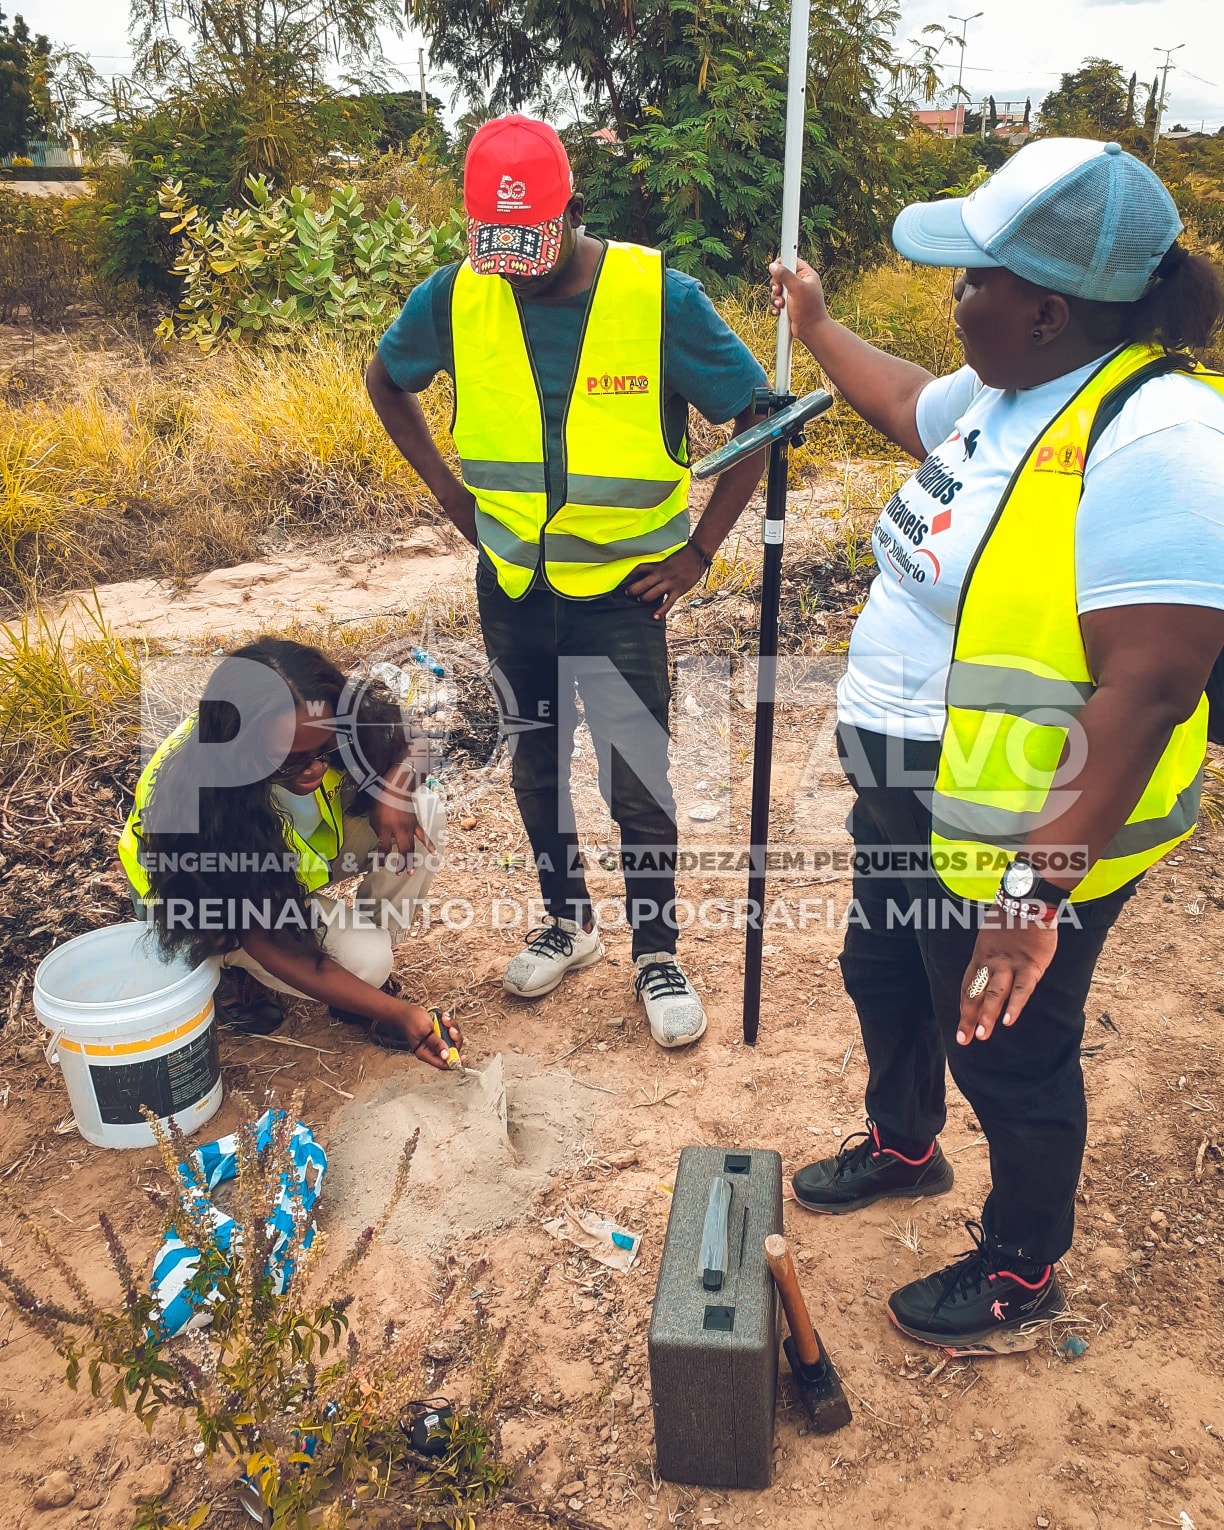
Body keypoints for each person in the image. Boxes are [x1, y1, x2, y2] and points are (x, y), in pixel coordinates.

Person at [770, 138, 1224, 1350]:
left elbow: (1153, 685)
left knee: (1008, 1046)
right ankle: (905, 1144)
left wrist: (1033, 893)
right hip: (909, 782)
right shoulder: (1007, 394)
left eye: (974, 278)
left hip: (1023, 829)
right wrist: (814, 327)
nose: (955, 296)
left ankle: (1024, 1265)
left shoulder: (1159, 436)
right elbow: (902, 399)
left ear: (1048, 308)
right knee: (887, 977)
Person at [367, 114, 769, 1048]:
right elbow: (385, 380)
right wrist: (450, 497)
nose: (513, 265)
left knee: (637, 781)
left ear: (574, 211)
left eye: (530, 244)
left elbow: (756, 418)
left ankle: (656, 951)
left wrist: (700, 551)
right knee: (537, 765)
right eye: (494, 246)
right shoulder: (455, 296)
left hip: (625, 594)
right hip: (512, 587)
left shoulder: (656, 295)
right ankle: (570, 921)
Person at [118, 638, 463, 1067]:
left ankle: (361, 978)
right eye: (288, 760)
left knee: (423, 809)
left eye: (325, 751)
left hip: (288, 867)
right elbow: (268, 936)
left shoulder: (322, 715)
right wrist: (399, 1014)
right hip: (201, 898)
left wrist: (395, 788)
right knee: (364, 963)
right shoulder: (200, 801)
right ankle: (231, 968)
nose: (315, 769)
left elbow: (417, 742)